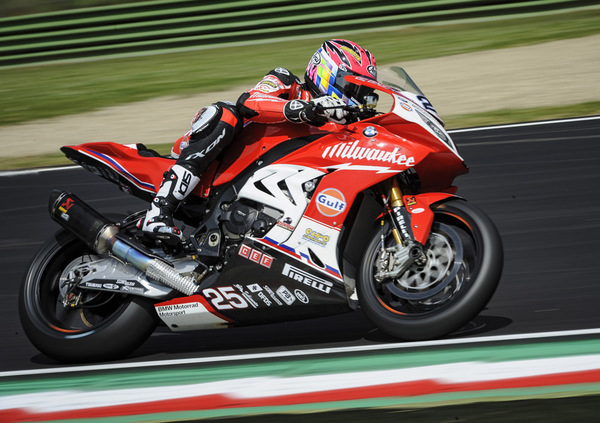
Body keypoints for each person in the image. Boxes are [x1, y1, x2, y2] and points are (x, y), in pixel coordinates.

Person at [140, 39, 378, 245]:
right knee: (225, 114)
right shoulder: (288, 83)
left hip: (271, 203)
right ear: (326, 72)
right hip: (217, 169)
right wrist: (303, 109)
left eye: (366, 93)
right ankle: (159, 211)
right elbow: (250, 102)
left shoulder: (346, 128)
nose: (359, 97)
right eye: (355, 87)